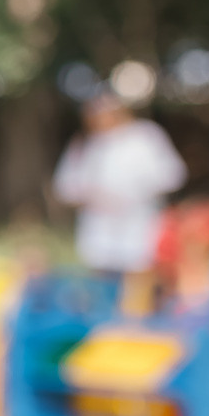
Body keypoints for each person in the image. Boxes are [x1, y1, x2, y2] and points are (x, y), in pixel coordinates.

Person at [51, 91, 186, 306]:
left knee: (139, 287)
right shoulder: (84, 145)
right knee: (101, 288)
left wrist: (134, 193)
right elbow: (65, 187)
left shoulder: (145, 137)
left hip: (138, 228)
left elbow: (172, 175)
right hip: (99, 231)